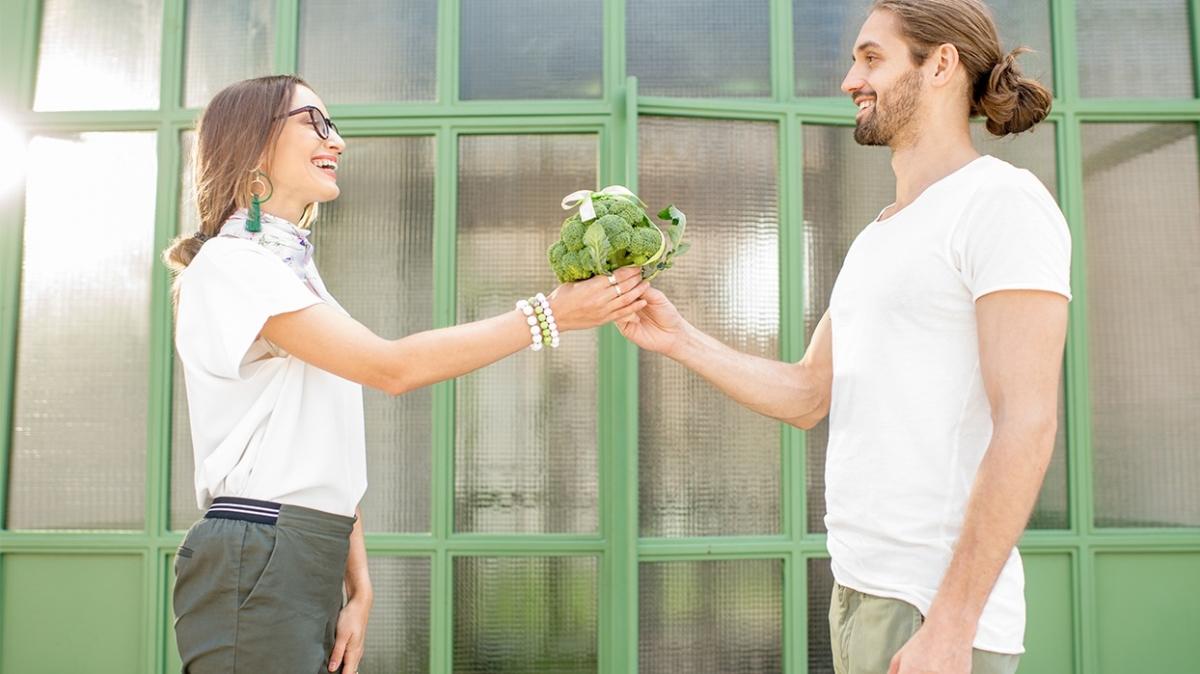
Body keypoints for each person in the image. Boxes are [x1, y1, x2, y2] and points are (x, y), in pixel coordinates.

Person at [618, 1, 1069, 672]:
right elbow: (808, 393)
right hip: (861, 591)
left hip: (930, 607)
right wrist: (681, 339)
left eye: (871, 57)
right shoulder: (879, 236)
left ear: (941, 63)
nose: (848, 80)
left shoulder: (1002, 204)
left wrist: (951, 625)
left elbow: (1026, 424)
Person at [162, 74, 649, 674]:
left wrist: (358, 582)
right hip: (261, 547)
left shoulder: (288, 272)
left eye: (333, 125)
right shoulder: (235, 265)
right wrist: (550, 314)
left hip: (299, 547)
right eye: (313, 121)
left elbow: (327, 441)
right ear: (253, 142)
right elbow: (392, 368)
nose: (335, 140)